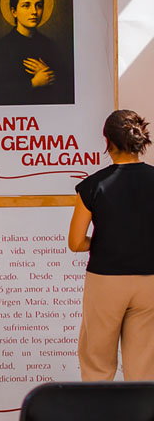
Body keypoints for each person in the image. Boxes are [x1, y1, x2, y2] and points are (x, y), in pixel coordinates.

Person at [69, 110, 154, 380]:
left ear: (107, 142)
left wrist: (104, 240)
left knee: (97, 364)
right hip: (149, 281)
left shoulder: (92, 186)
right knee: (144, 368)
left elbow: (76, 242)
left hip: (105, 281)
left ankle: (98, 410)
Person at [0, 0, 72, 106]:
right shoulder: (1, 48)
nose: (34, 12)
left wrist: (49, 75)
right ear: (14, 12)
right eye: (26, 6)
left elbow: (68, 89)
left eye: (39, 6)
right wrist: (33, 83)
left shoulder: (50, 46)